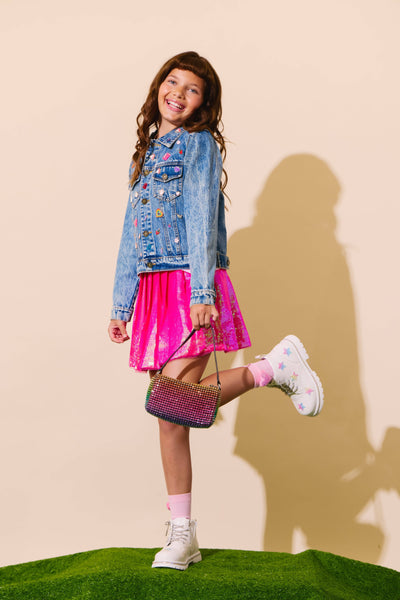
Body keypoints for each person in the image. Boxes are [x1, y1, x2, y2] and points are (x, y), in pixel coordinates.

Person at [108, 51, 324, 571]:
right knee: (170, 417)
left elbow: (203, 215)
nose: (178, 94)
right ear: (158, 86)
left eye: (193, 89)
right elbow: (131, 233)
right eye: (172, 81)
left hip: (188, 282)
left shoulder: (198, 144)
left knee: (169, 407)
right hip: (154, 289)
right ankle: (183, 534)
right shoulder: (146, 152)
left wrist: (202, 292)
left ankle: (269, 369)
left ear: (204, 103)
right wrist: (122, 302)